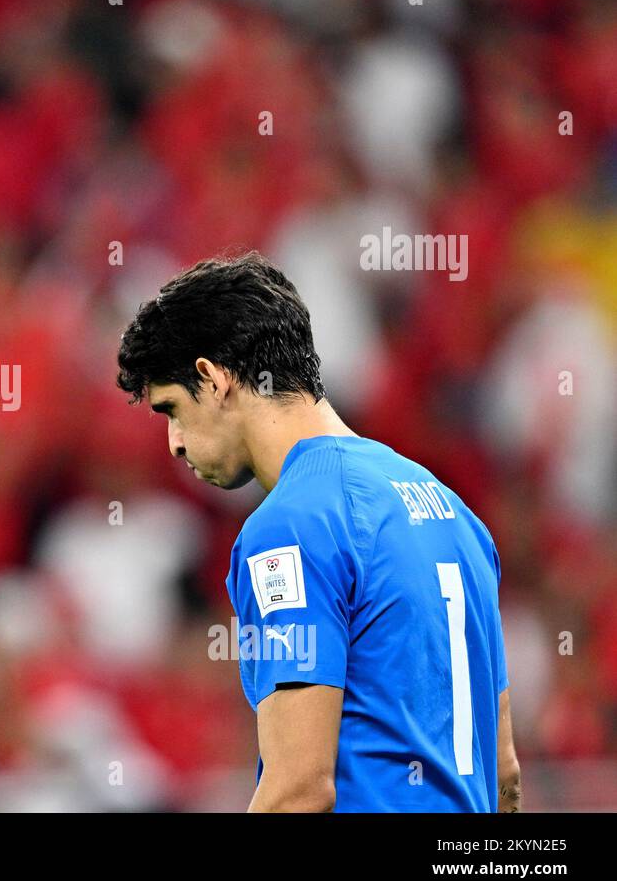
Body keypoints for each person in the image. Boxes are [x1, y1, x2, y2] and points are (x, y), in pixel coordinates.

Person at [116, 251, 520, 812]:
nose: (175, 443)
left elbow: (300, 789)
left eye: (172, 410)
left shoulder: (289, 528)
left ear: (213, 380)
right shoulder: (455, 513)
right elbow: (505, 776)